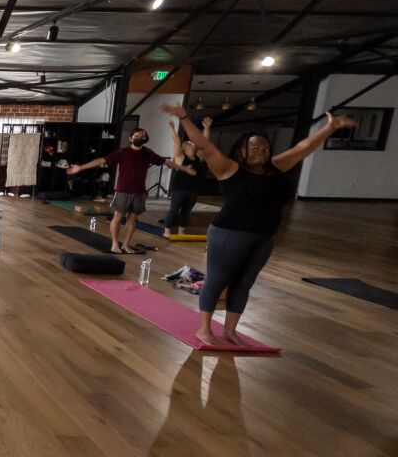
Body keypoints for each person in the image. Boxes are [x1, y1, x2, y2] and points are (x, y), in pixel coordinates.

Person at [162, 104, 354, 346]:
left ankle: (230, 330)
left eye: (264, 148)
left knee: (245, 282)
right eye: (254, 148)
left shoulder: (277, 167)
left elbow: (303, 148)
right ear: (242, 150)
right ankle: (204, 329)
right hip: (229, 232)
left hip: (264, 235)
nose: (260, 152)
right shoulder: (228, 168)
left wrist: (330, 128)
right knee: (218, 279)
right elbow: (204, 145)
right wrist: (185, 118)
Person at [67, 128, 185, 254]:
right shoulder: (123, 152)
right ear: (131, 138)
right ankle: (114, 243)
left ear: (145, 139)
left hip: (140, 191)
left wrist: (183, 168)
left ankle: (126, 244)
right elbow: (101, 160)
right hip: (123, 190)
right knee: (118, 217)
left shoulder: (147, 153)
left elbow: (165, 161)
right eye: (137, 135)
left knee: (133, 218)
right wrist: (81, 167)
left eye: (142, 136)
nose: (140, 137)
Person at [162, 116, 210, 238]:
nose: (190, 143)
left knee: (186, 212)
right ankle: (167, 230)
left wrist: (207, 128)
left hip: (193, 190)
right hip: (180, 189)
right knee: (174, 210)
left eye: (191, 142)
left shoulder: (198, 157)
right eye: (187, 143)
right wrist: (172, 128)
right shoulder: (180, 157)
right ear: (184, 147)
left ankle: (181, 231)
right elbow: (177, 141)